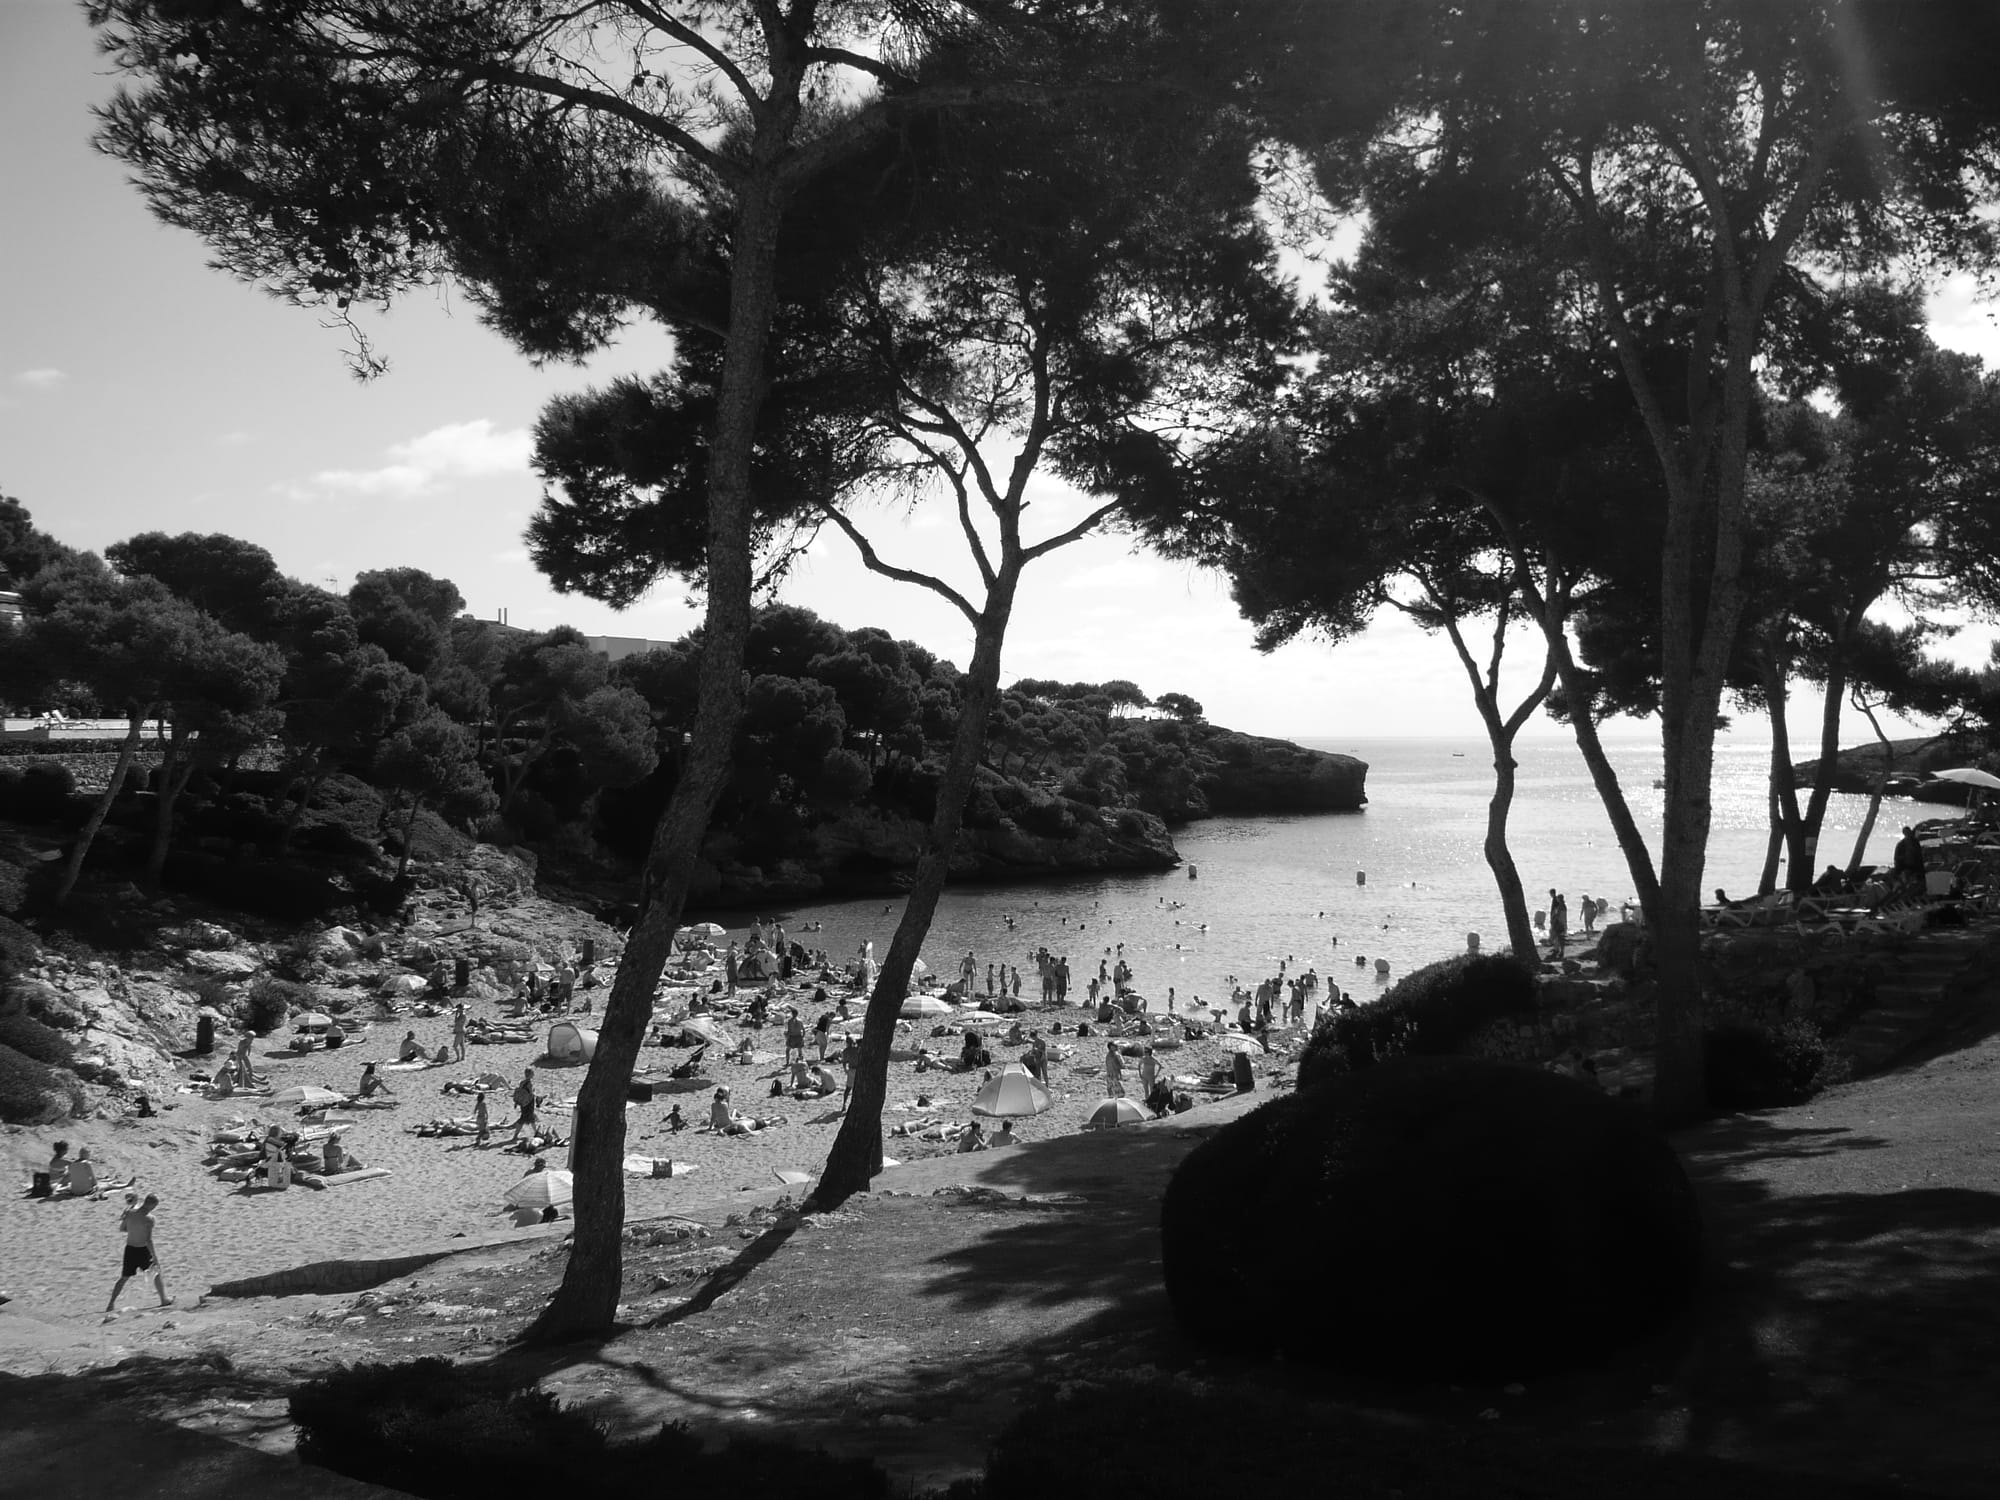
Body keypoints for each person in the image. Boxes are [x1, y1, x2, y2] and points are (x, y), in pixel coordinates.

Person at [106, 1193, 172, 1316]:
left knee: (124, 1277)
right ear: (152, 1205)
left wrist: (134, 1228)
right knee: (156, 1272)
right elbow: (148, 1240)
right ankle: (164, 1299)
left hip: (130, 1249)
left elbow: (122, 1229)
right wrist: (155, 1257)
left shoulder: (130, 1213)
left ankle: (110, 1304)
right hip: (142, 1250)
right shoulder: (150, 1218)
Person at [510, 1068, 538, 1142]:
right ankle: (515, 1136)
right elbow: (531, 1094)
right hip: (529, 1103)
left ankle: (536, 1132)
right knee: (523, 1119)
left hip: (523, 1102)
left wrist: (516, 1102)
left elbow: (520, 1092)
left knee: (531, 1118)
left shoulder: (522, 1082)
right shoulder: (529, 1084)